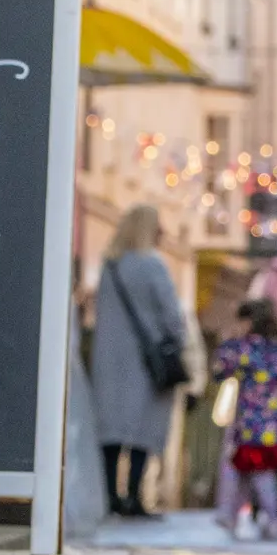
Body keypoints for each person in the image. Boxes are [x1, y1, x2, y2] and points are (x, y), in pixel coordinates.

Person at [85, 202, 191, 522]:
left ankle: (110, 497)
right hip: (148, 363)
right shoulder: (153, 265)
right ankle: (133, 497)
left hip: (109, 361)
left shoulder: (110, 267)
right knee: (143, 430)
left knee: (112, 432)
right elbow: (172, 316)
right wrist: (179, 341)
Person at [211, 299, 277, 540]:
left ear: (248, 321)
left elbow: (220, 370)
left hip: (248, 424)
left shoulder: (241, 349)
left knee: (246, 471)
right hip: (274, 424)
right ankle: (258, 518)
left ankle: (254, 518)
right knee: (261, 472)